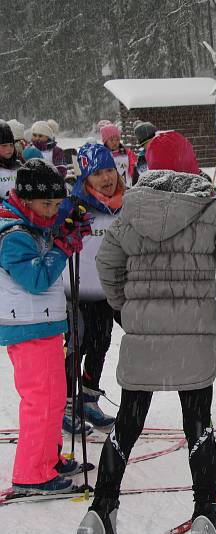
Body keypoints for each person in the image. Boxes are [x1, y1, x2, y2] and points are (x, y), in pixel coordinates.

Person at [77, 135, 216, 534]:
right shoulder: (212, 211)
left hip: (143, 338)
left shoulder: (132, 211)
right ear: (190, 164)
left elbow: (107, 263)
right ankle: (204, 514)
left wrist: (123, 307)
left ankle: (100, 509)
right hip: (193, 341)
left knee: (127, 425)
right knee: (198, 424)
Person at [0, 159, 90, 495]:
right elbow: (36, 279)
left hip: (43, 326)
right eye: (47, 204)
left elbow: (67, 211)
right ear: (24, 200)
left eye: (55, 204)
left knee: (55, 397)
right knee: (42, 400)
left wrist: (71, 220)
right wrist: (63, 246)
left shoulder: (35, 223)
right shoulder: (14, 235)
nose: (53, 211)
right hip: (28, 328)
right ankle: (32, 473)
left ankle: (47, 457)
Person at [58, 144, 124, 435]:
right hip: (77, 290)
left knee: (101, 342)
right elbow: (54, 234)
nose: (107, 177)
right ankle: (63, 404)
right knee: (78, 344)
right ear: (86, 176)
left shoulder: (123, 203)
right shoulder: (74, 204)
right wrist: (65, 227)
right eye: (98, 173)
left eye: (109, 169)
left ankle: (88, 398)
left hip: (106, 290)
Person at [99, 123, 137, 188]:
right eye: (111, 140)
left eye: (117, 139)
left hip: (128, 187)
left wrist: (133, 170)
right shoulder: (102, 155)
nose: (115, 142)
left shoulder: (127, 153)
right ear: (105, 141)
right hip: (111, 189)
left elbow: (134, 166)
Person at [0, 120, 22, 198]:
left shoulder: (19, 166)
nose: (9, 149)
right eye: (4, 145)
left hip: (18, 208)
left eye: (11, 145)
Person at [131, 121, 157, 185]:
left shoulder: (164, 154)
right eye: (151, 142)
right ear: (143, 144)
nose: (155, 144)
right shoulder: (141, 161)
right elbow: (136, 182)